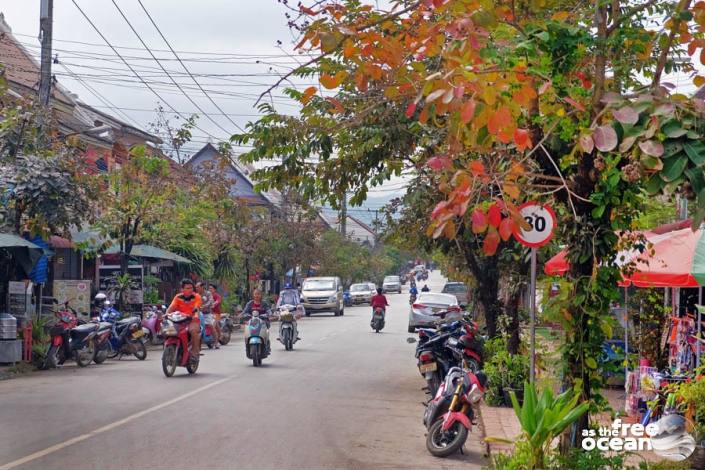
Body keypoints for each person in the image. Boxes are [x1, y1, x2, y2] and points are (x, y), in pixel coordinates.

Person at [166, 279, 202, 362]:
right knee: (168, 331)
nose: (190, 290)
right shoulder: (178, 297)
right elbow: (171, 307)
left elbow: (197, 307)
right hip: (178, 321)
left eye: (191, 288)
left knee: (193, 331)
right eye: (187, 288)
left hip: (192, 320)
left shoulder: (197, 296)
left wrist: (196, 314)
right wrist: (167, 314)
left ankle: (194, 352)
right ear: (182, 289)